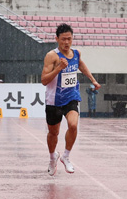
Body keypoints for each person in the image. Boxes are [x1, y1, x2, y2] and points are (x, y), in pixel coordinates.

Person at [41, 23, 100, 177]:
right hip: (54, 100)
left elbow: (81, 65)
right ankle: (53, 157)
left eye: (69, 39)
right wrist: (59, 68)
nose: (66, 42)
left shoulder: (76, 53)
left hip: (71, 97)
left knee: (73, 125)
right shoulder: (51, 56)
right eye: (63, 39)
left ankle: (66, 156)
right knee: (53, 133)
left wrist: (93, 80)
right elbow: (44, 80)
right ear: (57, 39)